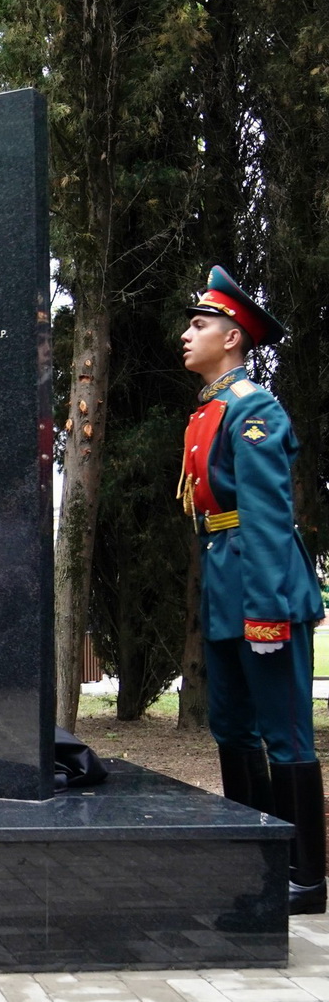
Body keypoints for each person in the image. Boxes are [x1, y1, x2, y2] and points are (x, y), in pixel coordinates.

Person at [177, 265, 326, 915]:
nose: (188, 334)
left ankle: (304, 874)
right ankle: (253, 858)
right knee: (232, 727)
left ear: (233, 337)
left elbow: (267, 515)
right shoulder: (211, 410)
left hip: (261, 589)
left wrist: (266, 610)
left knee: (285, 732)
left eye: (200, 323)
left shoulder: (254, 408)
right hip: (225, 582)